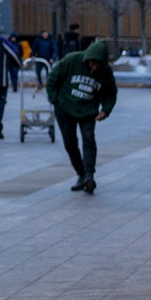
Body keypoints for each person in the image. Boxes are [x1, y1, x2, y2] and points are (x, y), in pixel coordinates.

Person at [46, 39, 117, 194]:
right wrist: (55, 100)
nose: (94, 67)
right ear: (88, 58)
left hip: (88, 111)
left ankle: (89, 175)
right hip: (65, 108)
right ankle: (81, 173)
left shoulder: (105, 72)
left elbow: (110, 93)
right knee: (70, 143)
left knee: (89, 140)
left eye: (98, 65)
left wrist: (105, 110)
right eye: (92, 63)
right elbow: (52, 79)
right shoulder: (72, 60)